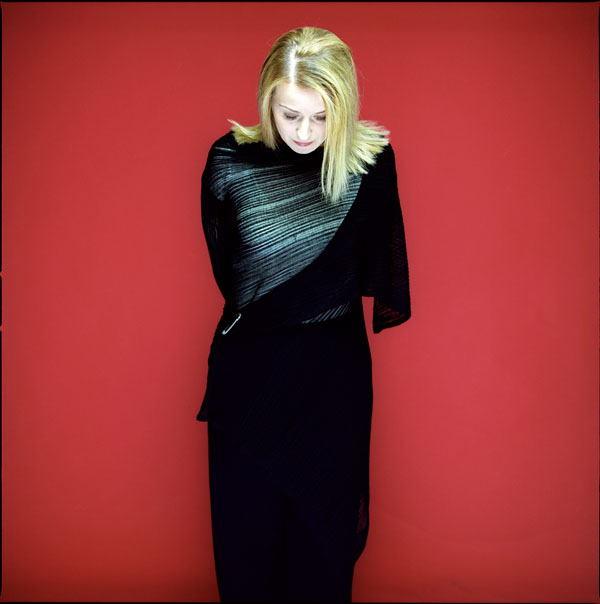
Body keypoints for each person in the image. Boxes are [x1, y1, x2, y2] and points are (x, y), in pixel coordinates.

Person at [196, 26, 411, 603]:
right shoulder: (229, 163)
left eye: (321, 118)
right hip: (249, 382)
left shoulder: (371, 163)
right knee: (246, 556)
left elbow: (373, 267)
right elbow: (233, 276)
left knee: (323, 557)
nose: (305, 132)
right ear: (267, 99)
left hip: (332, 386)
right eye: (290, 115)